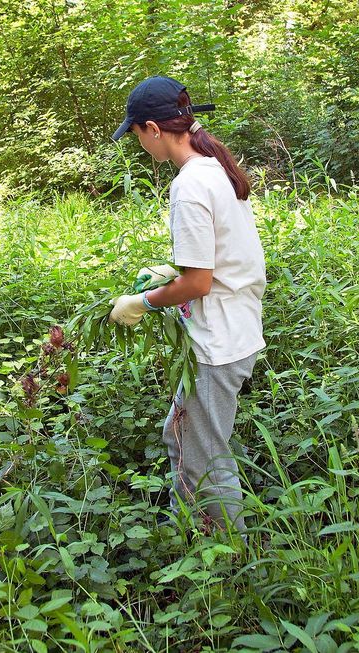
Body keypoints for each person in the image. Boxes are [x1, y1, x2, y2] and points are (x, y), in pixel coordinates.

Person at [108, 76, 266, 532]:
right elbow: (221, 260)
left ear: (153, 129)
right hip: (232, 331)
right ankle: (205, 543)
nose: (138, 144)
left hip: (218, 344)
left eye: (136, 133)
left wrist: (143, 301)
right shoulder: (213, 171)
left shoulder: (190, 186)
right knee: (182, 436)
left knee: (203, 459)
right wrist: (170, 276)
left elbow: (198, 282)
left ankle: (223, 559)